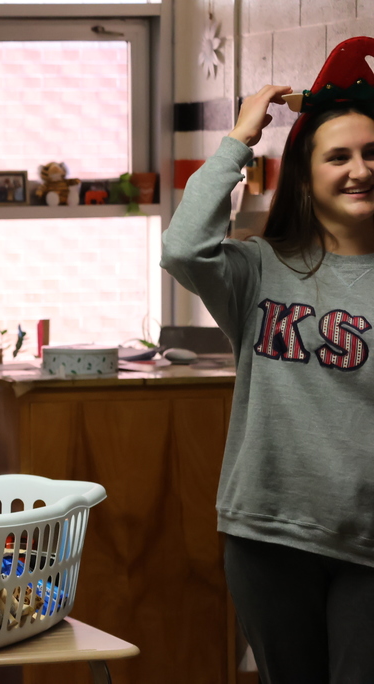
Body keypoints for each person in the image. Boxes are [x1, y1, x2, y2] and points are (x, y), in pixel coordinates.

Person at [160, 72, 374, 683]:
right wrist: (238, 141)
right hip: (267, 536)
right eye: (339, 156)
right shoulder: (260, 268)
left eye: (371, 153)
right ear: (307, 177)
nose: (359, 169)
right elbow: (183, 249)